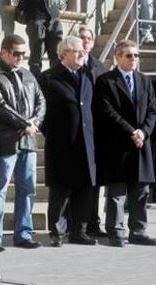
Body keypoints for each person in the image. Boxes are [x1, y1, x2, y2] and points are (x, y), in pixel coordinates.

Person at [0, 34, 45, 251]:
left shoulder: (27, 75)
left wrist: (35, 121)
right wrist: (24, 123)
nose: (20, 58)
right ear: (4, 52)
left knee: (27, 189)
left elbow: (41, 101)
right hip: (5, 142)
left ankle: (23, 233)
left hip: (28, 141)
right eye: (16, 54)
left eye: (23, 54)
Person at [94, 40, 156, 247]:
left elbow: (152, 111)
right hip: (118, 144)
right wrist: (132, 132)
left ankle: (138, 231)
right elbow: (106, 111)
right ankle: (116, 231)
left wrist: (144, 132)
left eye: (136, 55)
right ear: (117, 57)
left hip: (141, 144)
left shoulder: (145, 81)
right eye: (129, 55)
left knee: (140, 192)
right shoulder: (105, 81)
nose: (134, 59)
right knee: (117, 192)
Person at [40, 36, 97, 247]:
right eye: (77, 51)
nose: (82, 54)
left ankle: (79, 231)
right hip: (61, 143)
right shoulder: (49, 78)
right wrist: (53, 134)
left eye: (83, 50)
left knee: (84, 188)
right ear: (63, 54)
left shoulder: (87, 75)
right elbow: (41, 113)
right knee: (61, 189)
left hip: (86, 142)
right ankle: (57, 231)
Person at [76, 25, 108, 238]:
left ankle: (94, 222)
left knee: (95, 180)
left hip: (96, 132)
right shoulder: (71, 66)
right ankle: (75, 223)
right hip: (77, 132)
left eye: (88, 38)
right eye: (82, 38)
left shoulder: (99, 67)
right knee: (76, 180)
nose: (85, 41)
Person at [19, 0, 65, 77]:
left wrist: (60, 9)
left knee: (57, 54)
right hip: (36, 18)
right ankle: (36, 80)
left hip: (54, 18)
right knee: (37, 53)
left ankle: (56, 81)